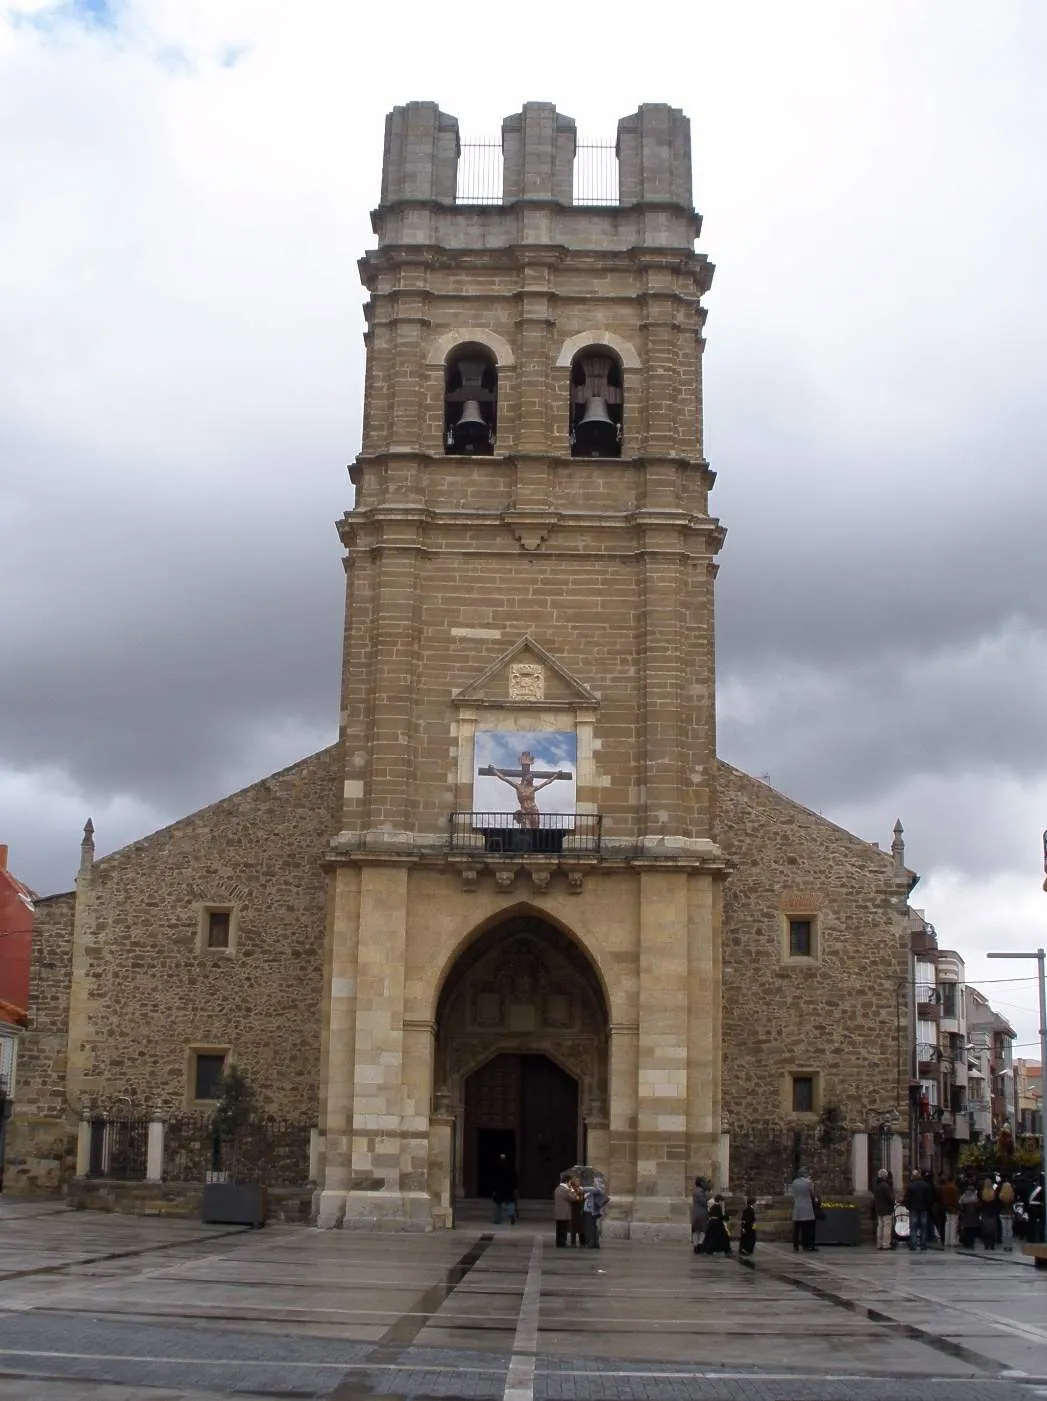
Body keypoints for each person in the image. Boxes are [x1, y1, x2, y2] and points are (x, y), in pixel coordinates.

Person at [789, 1168, 818, 1253]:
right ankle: (808, 1245)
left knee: (797, 1228)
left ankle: (796, 1246)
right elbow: (812, 1193)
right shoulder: (808, 1182)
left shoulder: (794, 1182)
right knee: (808, 1228)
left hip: (797, 1206)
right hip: (807, 1207)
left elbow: (793, 1193)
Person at [904, 1170, 933, 1251]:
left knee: (913, 1228)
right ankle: (923, 1244)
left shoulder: (910, 1186)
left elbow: (907, 1199)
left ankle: (913, 1245)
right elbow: (929, 1199)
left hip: (913, 1209)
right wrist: (927, 1207)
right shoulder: (926, 1186)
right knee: (923, 1227)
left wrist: (909, 1207)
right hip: (923, 1209)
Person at [581, 1177, 609, 1248]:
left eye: (594, 1182)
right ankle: (594, 1243)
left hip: (591, 1211)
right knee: (593, 1227)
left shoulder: (598, 1189)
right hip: (590, 1211)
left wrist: (582, 1188)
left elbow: (594, 1190)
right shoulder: (594, 1190)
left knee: (590, 1228)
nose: (593, 1183)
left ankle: (591, 1243)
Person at [553, 1172, 578, 1248]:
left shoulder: (557, 1188)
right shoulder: (565, 1190)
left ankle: (558, 1242)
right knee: (563, 1229)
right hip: (564, 1213)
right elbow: (573, 1198)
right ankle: (562, 1243)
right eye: (570, 1181)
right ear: (568, 1181)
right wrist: (572, 1190)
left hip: (558, 1212)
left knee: (559, 1228)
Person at [872, 1168, 895, 1250]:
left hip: (879, 1208)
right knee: (887, 1226)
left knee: (880, 1226)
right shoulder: (885, 1186)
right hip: (886, 1208)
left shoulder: (876, 1185)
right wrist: (893, 1201)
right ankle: (886, 1244)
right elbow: (890, 1198)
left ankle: (879, 1243)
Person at [492, 1154, 518, 1225]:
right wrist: (515, 1188)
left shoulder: (497, 1169)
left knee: (499, 1205)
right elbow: (515, 1179)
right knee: (509, 1203)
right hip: (508, 1189)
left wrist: (494, 1189)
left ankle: (498, 1219)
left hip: (500, 1189)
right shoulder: (511, 1169)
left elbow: (494, 1180)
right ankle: (510, 1215)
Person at [958, 1181, 981, 1249]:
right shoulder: (974, 1196)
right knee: (972, 1230)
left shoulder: (963, 1196)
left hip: (965, 1216)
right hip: (973, 1216)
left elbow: (960, 1204)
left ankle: (966, 1242)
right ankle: (971, 1242)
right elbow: (978, 1206)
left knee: (966, 1230)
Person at [940, 1174, 960, 1249]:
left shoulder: (944, 1188)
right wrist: (958, 1207)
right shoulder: (954, 1188)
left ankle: (947, 1241)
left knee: (947, 1224)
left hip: (947, 1207)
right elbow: (956, 1199)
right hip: (953, 1208)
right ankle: (952, 1241)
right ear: (953, 1180)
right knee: (954, 1224)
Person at [691, 1176, 710, 1255]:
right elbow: (703, 1201)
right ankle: (699, 1245)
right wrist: (708, 1195)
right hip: (701, 1213)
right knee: (702, 1230)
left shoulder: (695, 1190)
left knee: (696, 1230)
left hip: (696, 1213)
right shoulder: (701, 1191)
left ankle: (696, 1245)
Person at [997, 1176, 1016, 1253]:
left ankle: (1005, 1245)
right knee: (1010, 1229)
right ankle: (1009, 1245)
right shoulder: (1012, 1196)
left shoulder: (1000, 1196)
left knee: (1004, 1230)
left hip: (1002, 1213)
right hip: (1010, 1213)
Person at [979, 1176, 998, 1250]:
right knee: (992, 1229)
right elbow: (996, 1203)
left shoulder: (982, 1192)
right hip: (993, 1212)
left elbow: (980, 1202)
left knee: (985, 1228)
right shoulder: (994, 1193)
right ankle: (992, 1245)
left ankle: (986, 1244)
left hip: (984, 1211)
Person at [568, 1175, 584, 1246]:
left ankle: (582, 1242)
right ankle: (573, 1242)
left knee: (581, 1226)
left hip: (580, 1209)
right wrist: (579, 1195)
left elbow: (582, 1197)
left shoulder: (581, 1189)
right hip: (574, 1209)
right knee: (574, 1226)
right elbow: (574, 1198)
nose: (578, 1182)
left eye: (579, 1181)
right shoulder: (572, 1189)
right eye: (577, 1181)